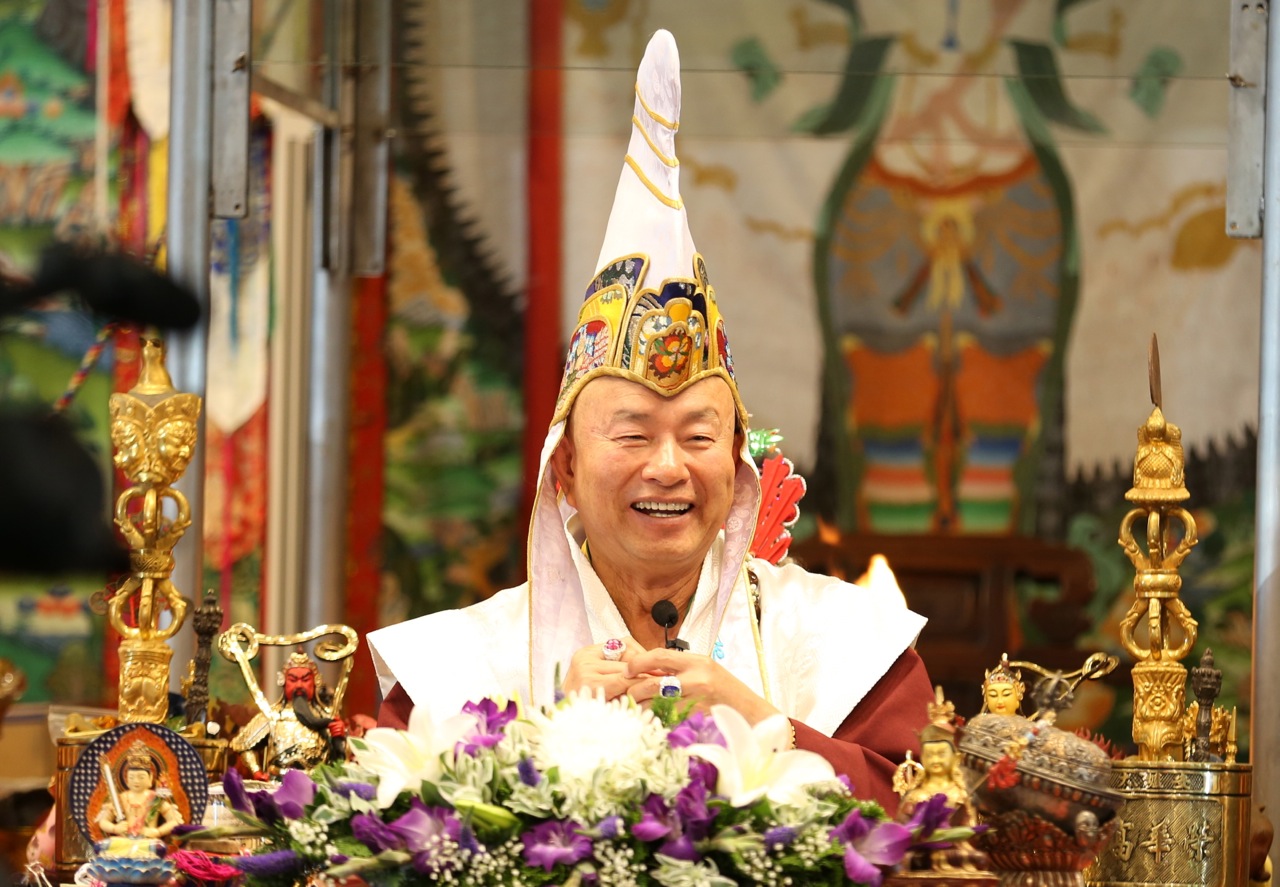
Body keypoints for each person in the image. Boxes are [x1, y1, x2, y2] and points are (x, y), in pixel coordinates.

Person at [367, 28, 933, 813]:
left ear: (739, 464)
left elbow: (930, 808)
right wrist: (538, 737)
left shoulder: (841, 639)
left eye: (699, 436)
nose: (667, 467)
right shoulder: (461, 662)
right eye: (632, 433)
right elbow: (388, 830)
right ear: (565, 467)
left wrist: (761, 723)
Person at [230, 647, 348, 779]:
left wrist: (339, 738)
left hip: (317, 783)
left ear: (315, 682)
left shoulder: (327, 717)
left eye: (305, 680)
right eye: (293, 680)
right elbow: (242, 745)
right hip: (278, 783)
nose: (299, 685)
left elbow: (341, 762)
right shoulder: (272, 716)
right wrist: (256, 771)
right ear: (283, 682)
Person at [95, 742, 183, 841]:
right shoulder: (120, 798)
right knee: (106, 844)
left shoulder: (156, 799)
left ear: (150, 779)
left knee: (157, 846)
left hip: (148, 842)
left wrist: (157, 831)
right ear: (126, 780)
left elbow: (174, 821)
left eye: (141, 777)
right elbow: (103, 821)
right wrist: (115, 828)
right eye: (131, 777)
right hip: (124, 842)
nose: (136, 781)